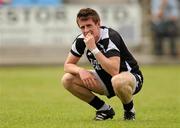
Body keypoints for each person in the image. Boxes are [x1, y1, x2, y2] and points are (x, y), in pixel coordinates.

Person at [61, 8, 143, 121]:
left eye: (89, 26)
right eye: (82, 27)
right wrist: (81, 70)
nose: (86, 30)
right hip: (104, 79)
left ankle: (129, 111)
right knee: (67, 79)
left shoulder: (110, 37)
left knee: (117, 80)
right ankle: (104, 109)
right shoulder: (81, 40)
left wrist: (93, 49)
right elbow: (67, 65)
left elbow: (114, 71)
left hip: (129, 78)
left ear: (98, 24)